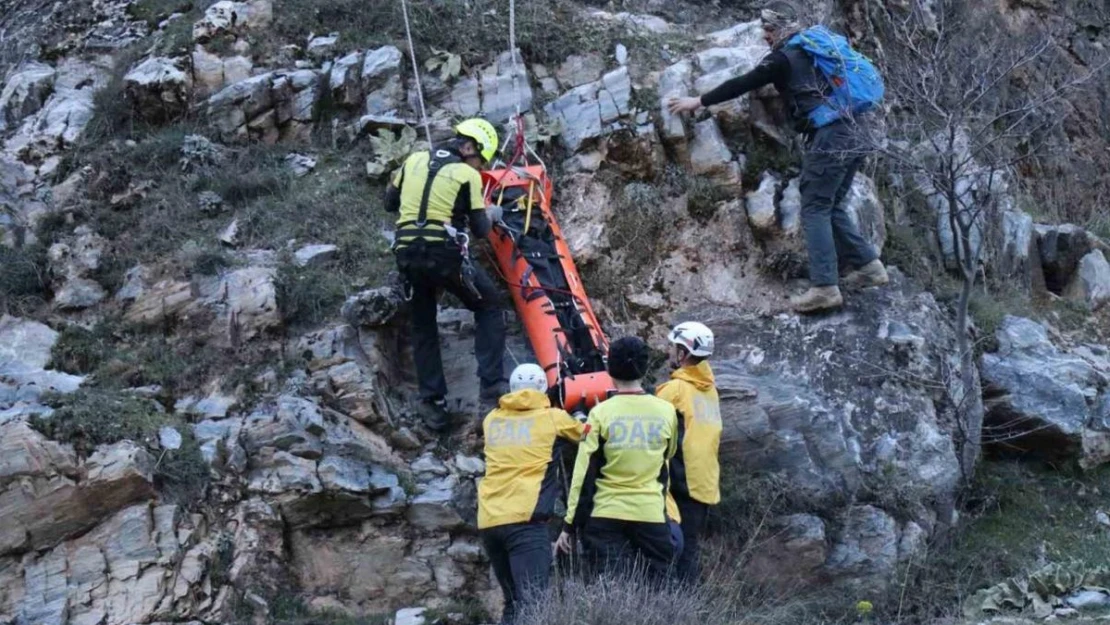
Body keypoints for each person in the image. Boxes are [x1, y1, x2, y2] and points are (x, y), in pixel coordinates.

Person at [667, 1, 889, 314]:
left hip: (833, 135)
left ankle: (824, 286)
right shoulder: (815, 47)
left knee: (814, 205)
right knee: (831, 202)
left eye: (767, 31)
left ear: (775, 29)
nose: (765, 37)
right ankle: (868, 266)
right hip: (859, 129)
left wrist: (698, 101)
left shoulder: (783, 58)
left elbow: (742, 83)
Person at [385, 118, 509, 430]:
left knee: (423, 321)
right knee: (489, 305)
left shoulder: (412, 160)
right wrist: (494, 213)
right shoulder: (468, 175)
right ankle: (491, 394)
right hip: (444, 255)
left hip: (407, 253)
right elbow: (480, 229)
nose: (481, 166)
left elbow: (390, 202)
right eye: (481, 159)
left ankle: (433, 404)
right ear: (470, 147)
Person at [555, 336, 680, 582]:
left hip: (605, 515)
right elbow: (670, 453)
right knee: (660, 588)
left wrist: (569, 526)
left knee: (612, 586)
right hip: (651, 513)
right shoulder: (666, 412)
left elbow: (582, 475)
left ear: (610, 369)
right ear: (644, 369)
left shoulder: (600, 414)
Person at [479, 363, 586, 625]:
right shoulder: (553, 418)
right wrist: (580, 414)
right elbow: (587, 435)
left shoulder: (491, 419)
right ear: (542, 389)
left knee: (513, 603)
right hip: (526, 523)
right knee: (534, 604)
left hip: (490, 521)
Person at [656, 322, 721, 585]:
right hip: (704, 482)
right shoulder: (710, 390)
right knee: (690, 550)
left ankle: (677, 607)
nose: (671, 353)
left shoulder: (674, 390)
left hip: (680, 483)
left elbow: (650, 425)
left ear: (683, 354)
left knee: (674, 553)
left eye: (675, 348)